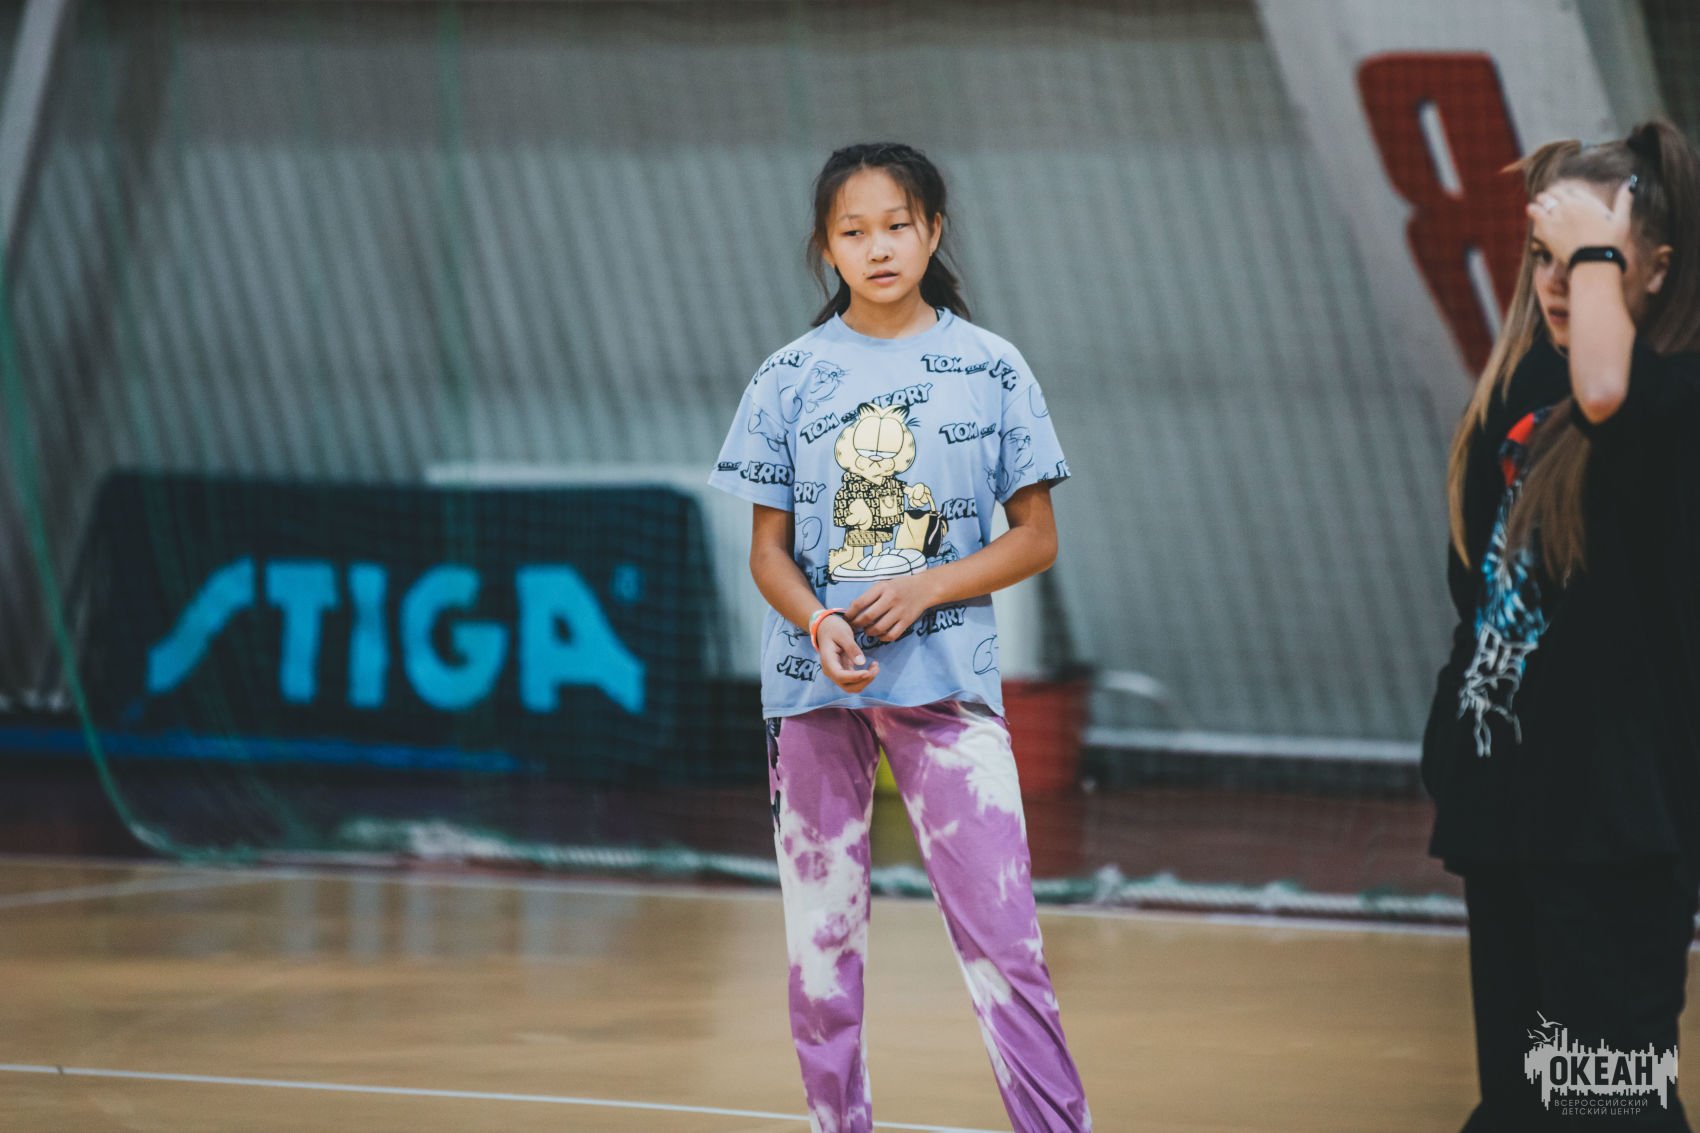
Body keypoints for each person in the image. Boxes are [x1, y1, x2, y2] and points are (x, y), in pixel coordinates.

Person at [707, 141, 1092, 1133]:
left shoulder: (991, 366)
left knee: (1005, 943)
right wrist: (819, 619)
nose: (877, 247)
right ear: (824, 246)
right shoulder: (787, 377)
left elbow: (1035, 538)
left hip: (949, 692)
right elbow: (766, 554)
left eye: (896, 225)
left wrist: (927, 587)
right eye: (853, 230)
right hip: (813, 695)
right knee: (820, 955)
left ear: (933, 231)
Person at [1422, 121, 1700, 1130]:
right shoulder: (1523, 391)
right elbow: (1477, 597)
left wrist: (1588, 252)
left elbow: (1609, 391)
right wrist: (1456, 755)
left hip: (1617, 829)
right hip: (1509, 813)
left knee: (1606, 1102)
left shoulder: (1673, 399)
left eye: (1588, 258)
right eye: (1543, 255)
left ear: (1654, 269)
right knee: (1519, 1101)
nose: (1556, 281)